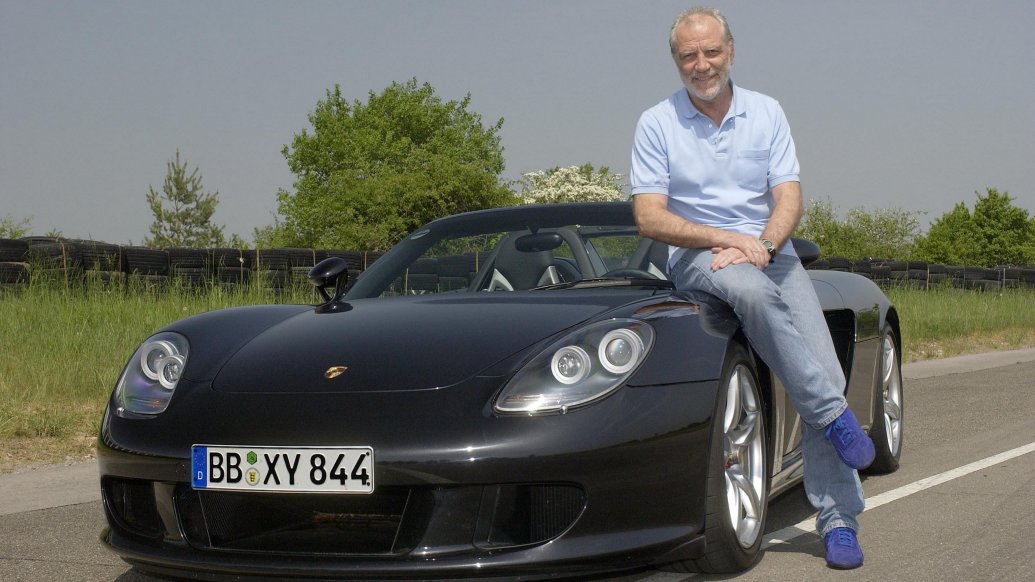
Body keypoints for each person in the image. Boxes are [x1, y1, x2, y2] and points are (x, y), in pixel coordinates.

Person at [629, 7, 875, 570]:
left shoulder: (767, 112)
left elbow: (788, 195)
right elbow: (649, 216)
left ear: (730, 52)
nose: (701, 63)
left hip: (772, 251)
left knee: (825, 372)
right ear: (676, 61)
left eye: (711, 51)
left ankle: (838, 521)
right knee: (755, 296)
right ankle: (837, 419)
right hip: (699, 256)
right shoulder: (655, 123)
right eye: (688, 55)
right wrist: (726, 239)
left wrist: (761, 243)